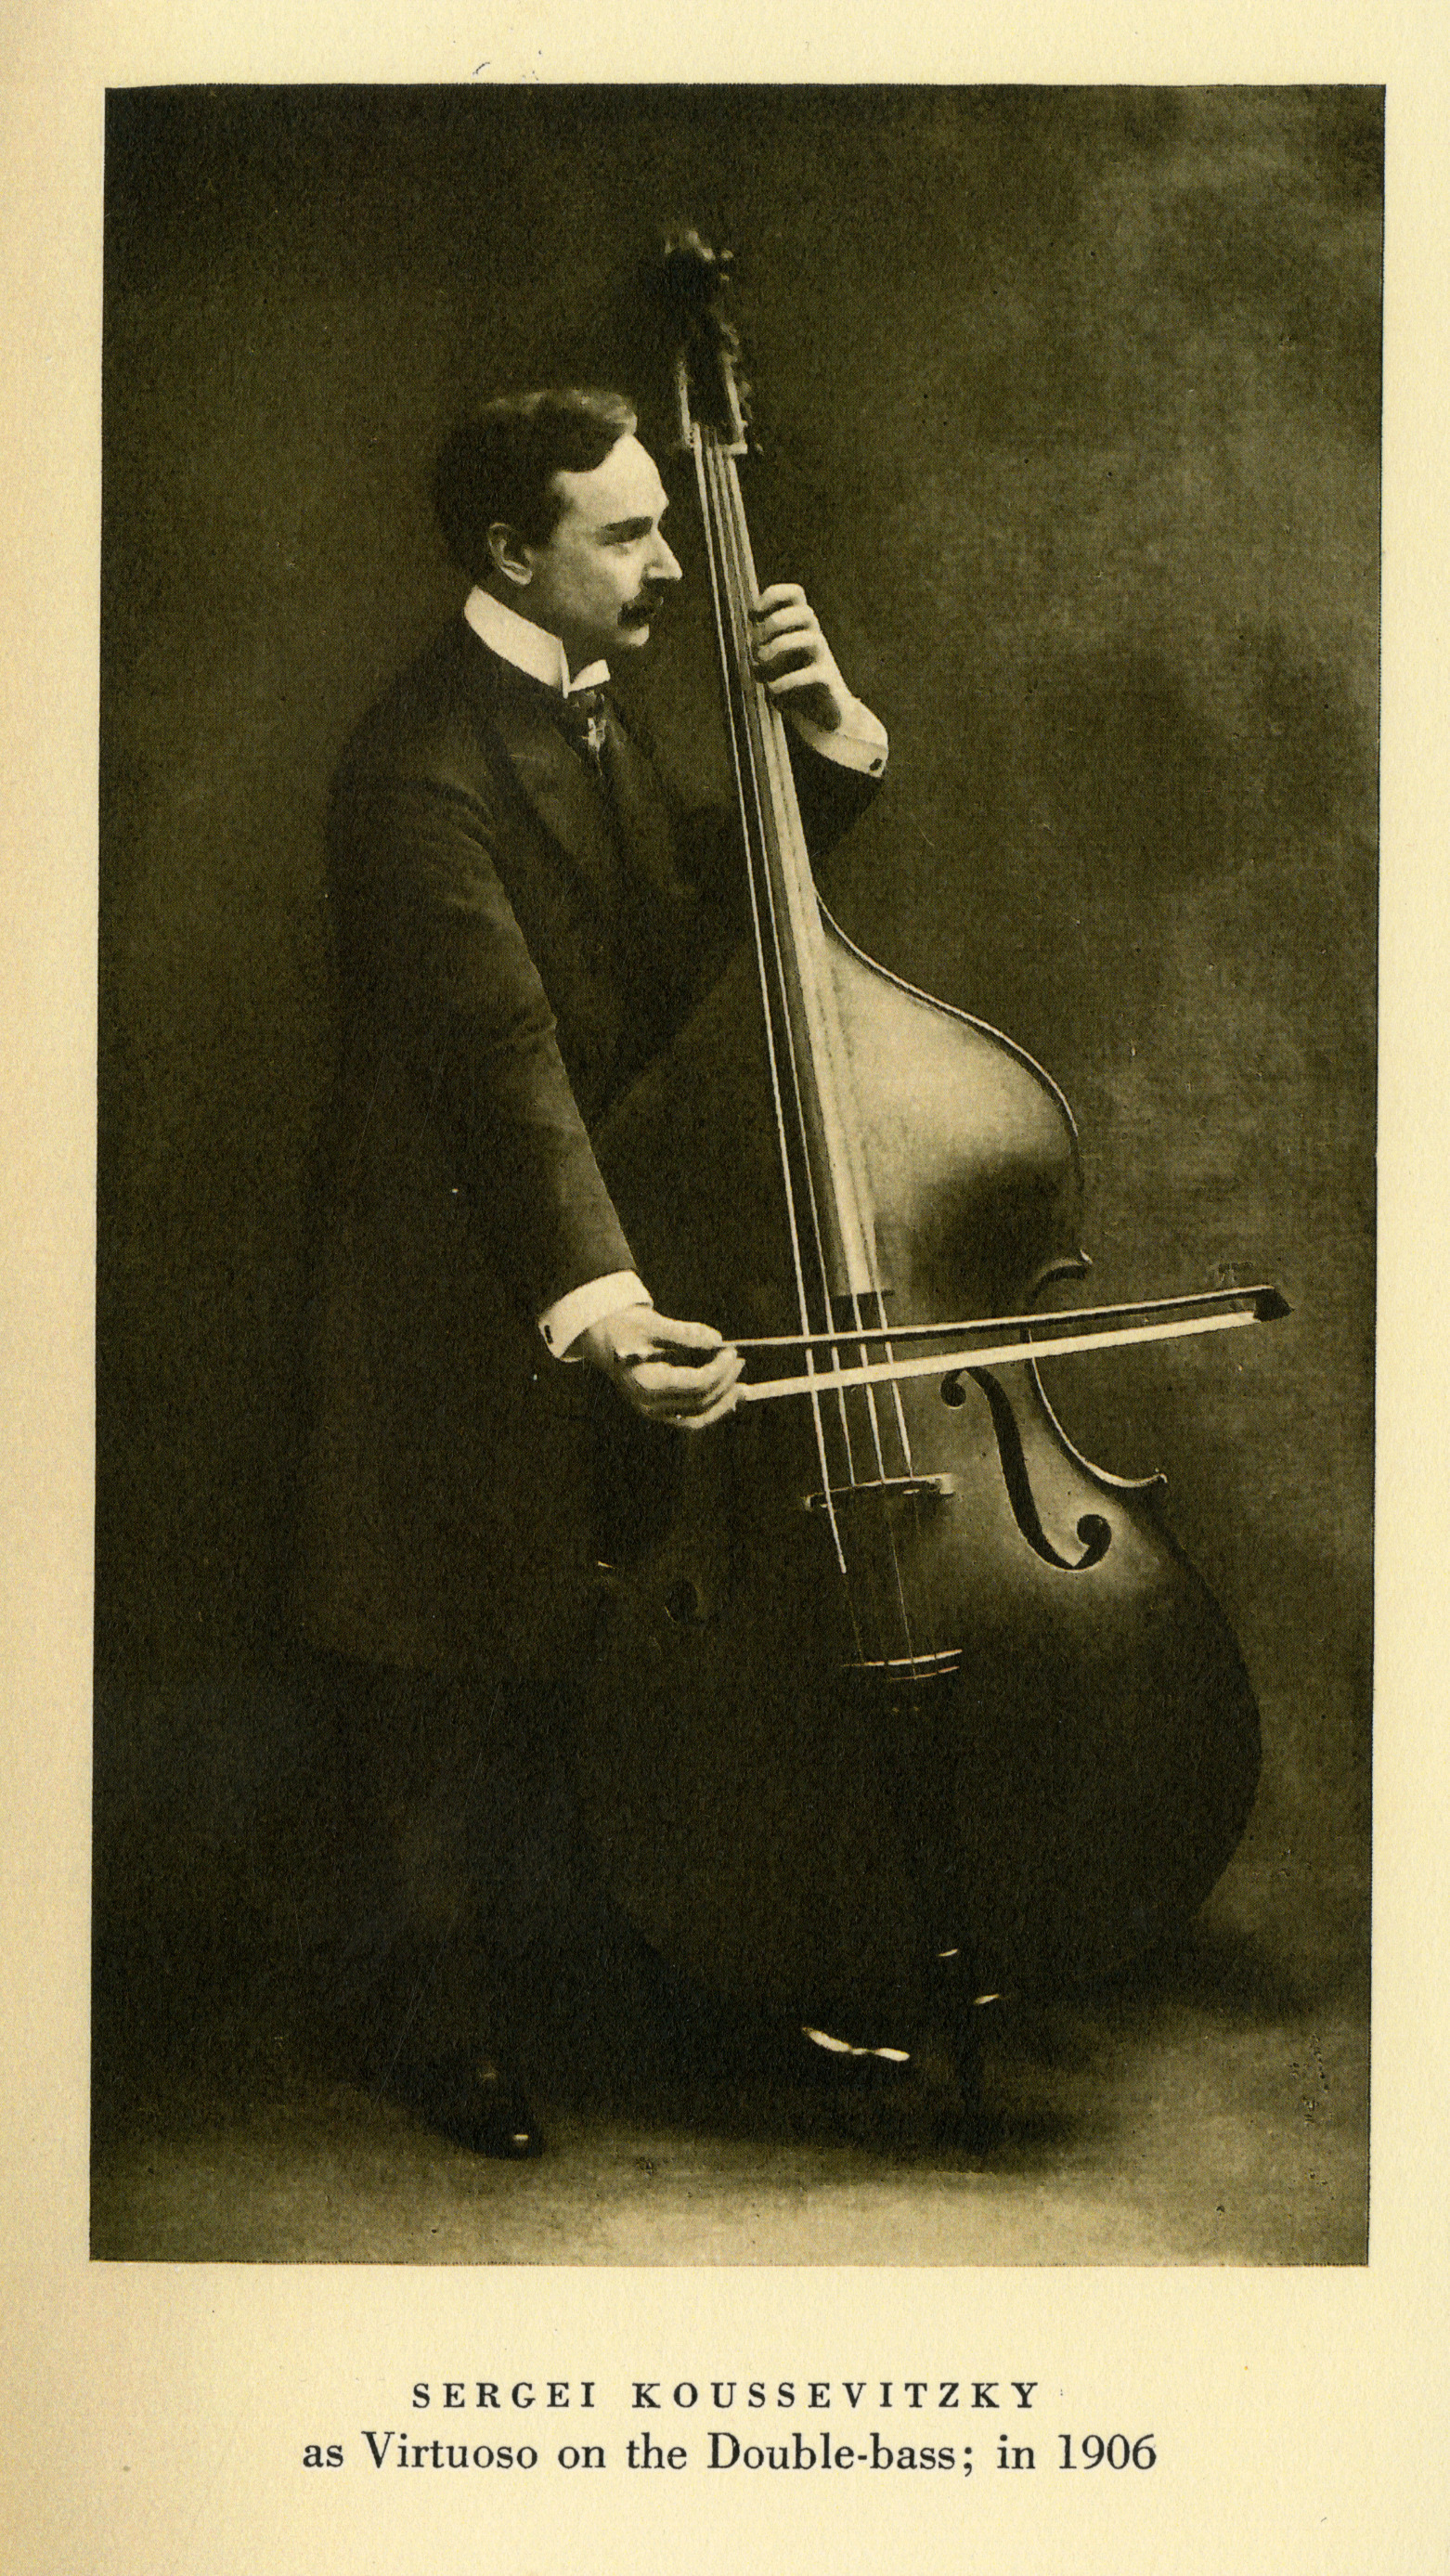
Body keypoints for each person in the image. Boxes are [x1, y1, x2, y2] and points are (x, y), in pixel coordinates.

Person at [293, 388, 891, 2155]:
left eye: (662, 519)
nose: (671, 560)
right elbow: (501, 1064)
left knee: (598, 1648)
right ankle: (437, 2032)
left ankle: (655, 1987)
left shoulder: (592, 713)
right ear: (509, 553)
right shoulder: (415, 768)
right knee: (452, 1666)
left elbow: (688, 925)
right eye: (624, 532)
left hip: (576, 1245)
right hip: (443, 1286)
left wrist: (826, 742)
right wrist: (607, 1306)